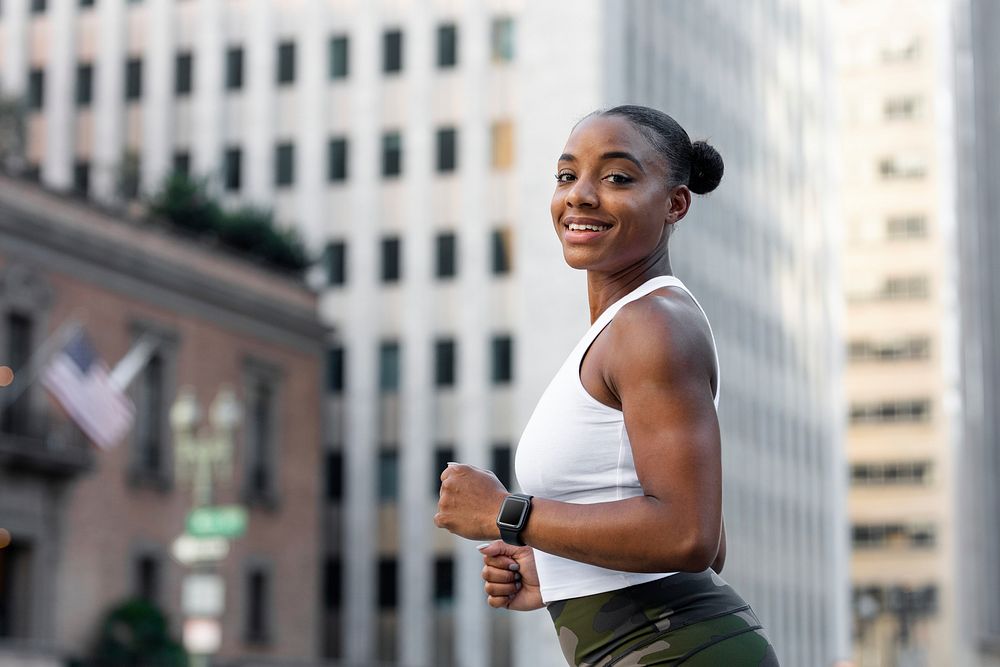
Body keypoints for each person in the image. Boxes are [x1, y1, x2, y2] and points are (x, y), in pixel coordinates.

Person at [435, 105, 779, 666]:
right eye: (567, 175)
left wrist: (507, 513)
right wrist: (558, 569)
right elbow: (711, 539)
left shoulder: (653, 325)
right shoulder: (626, 327)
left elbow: (688, 535)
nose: (581, 195)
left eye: (617, 177)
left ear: (675, 203)